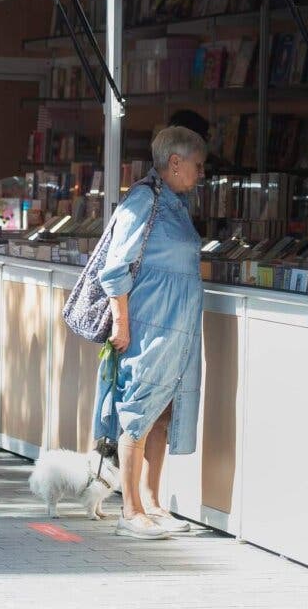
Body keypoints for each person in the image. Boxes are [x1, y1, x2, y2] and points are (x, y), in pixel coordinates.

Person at [94, 126, 207, 541]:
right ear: (174, 163)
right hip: (150, 322)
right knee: (139, 408)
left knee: (161, 412)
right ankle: (130, 509)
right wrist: (121, 321)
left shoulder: (175, 203)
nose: (200, 174)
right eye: (196, 165)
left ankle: (152, 501)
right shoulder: (145, 199)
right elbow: (115, 264)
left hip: (174, 326)